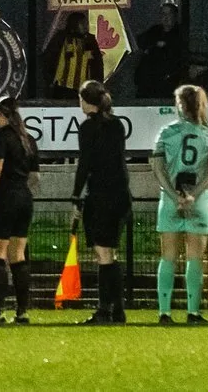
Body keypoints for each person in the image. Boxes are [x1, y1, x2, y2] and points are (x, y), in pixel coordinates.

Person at [149, 82, 208, 324]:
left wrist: (173, 195)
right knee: (195, 257)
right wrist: (193, 196)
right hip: (198, 202)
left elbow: (157, 168)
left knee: (167, 256)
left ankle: (164, 312)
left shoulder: (166, 133)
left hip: (169, 202)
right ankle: (192, 312)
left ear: (180, 105)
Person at [70, 80, 132, 324]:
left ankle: (105, 308)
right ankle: (117, 309)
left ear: (87, 101)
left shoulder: (87, 128)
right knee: (111, 253)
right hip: (119, 194)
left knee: (102, 254)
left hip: (100, 195)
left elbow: (84, 164)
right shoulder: (116, 125)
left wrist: (76, 196)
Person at [0, 97, 41, 324]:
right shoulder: (28, 139)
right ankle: (22, 311)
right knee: (18, 256)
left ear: (0, 115)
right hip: (24, 199)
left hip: (2, 199)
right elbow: (35, 177)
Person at [134, 0, 188, 98]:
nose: (165, 18)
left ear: (175, 16)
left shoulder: (181, 33)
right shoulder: (155, 31)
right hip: (148, 83)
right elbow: (140, 41)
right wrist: (153, 45)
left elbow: (178, 54)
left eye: (169, 14)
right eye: (163, 14)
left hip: (169, 83)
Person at [48, 12, 100, 92]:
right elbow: (50, 59)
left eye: (86, 23)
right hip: (62, 87)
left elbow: (97, 64)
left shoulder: (90, 39)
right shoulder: (61, 37)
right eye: (82, 23)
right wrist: (49, 80)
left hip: (84, 88)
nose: (86, 26)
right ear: (74, 24)